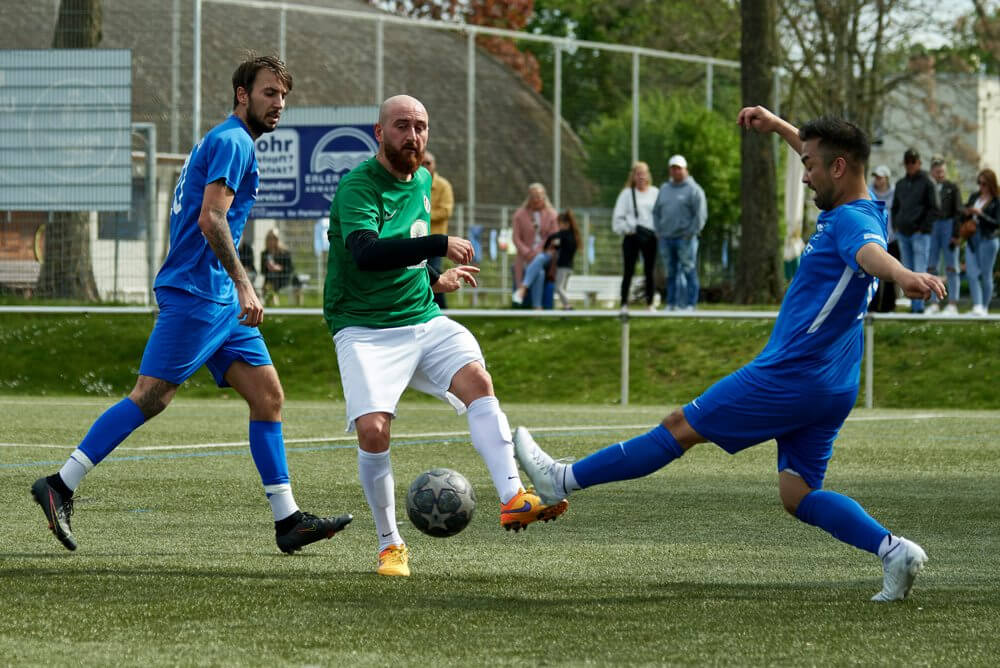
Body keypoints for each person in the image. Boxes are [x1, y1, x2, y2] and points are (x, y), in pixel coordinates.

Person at [514, 106, 946, 602]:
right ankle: (893, 551)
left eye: (810, 166)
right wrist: (780, 127)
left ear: (839, 168)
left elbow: (872, 254)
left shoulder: (851, 222)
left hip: (791, 376)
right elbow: (843, 194)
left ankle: (561, 480)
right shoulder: (865, 205)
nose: (804, 176)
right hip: (835, 382)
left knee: (679, 427)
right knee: (798, 495)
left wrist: (904, 276)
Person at [30, 55, 351, 554]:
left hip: (217, 299)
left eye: (284, 96)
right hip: (199, 293)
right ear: (242, 94)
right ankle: (59, 484)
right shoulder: (232, 141)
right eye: (270, 93)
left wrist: (234, 289)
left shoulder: (227, 140)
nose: (279, 104)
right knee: (150, 396)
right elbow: (211, 220)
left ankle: (288, 520)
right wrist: (245, 283)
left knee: (268, 397)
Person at [325, 94, 568, 577]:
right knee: (374, 430)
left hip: (422, 315)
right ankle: (390, 545)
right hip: (365, 328)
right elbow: (368, 254)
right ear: (379, 133)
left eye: (420, 127)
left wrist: (435, 278)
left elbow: (407, 250)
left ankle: (513, 497)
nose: (412, 135)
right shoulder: (357, 186)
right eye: (401, 126)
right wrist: (439, 245)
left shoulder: (424, 180)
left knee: (478, 380)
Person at [653, 154, 707, 311]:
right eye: (673, 168)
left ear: (685, 169)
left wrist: (690, 233)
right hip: (666, 237)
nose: (676, 171)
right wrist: (659, 231)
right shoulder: (664, 189)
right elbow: (656, 212)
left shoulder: (694, 189)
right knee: (671, 272)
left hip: (686, 239)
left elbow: (700, 215)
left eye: (678, 168)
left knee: (688, 270)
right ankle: (672, 303)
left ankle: (690, 304)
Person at [891, 149, 936, 313]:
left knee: (919, 269)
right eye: (908, 161)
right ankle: (913, 305)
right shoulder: (900, 184)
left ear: (919, 163)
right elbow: (895, 207)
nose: (910, 165)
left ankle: (919, 307)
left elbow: (933, 208)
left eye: (913, 161)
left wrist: (922, 228)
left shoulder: (927, 182)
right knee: (907, 270)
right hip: (903, 233)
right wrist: (896, 224)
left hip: (919, 234)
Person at [612, 162, 659, 311]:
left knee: (649, 271)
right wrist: (627, 229)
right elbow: (618, 218)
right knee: (628, 270)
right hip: (632, 236)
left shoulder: (655, 193)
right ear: (633, 176)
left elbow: (659, 215)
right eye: (638, 173)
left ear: (648, 175)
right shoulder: (626, 194)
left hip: (650, 236)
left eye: (643, 173)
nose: (641, 176)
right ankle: (624, 303)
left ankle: (650, 303)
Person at [924, 158, 963, 315]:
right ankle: (934, 303)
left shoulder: (952, 187)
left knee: (951, 266)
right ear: (932, 171)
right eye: (936, 171)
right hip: (933, 226)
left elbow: (959, 211)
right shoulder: (928, 188)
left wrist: (956, 233)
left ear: (945, 171)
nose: (939, 174)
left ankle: (953, 302)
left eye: (941, 171)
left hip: (948, 225)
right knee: (931, 266)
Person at [512, 183, 559, 303]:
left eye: (539, 196)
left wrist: (538, 250)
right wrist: (527, 252)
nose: (536, 199)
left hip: (546, 253)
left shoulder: (552, 214)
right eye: (533, 196)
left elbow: (553, 237)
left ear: (544, 197)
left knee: (539, 258)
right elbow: (516, 238)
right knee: (539, 272)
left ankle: (522, 289)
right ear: (529, 197)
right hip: (525, 255)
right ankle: (537, 307)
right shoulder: (519, 215)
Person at [962, 168, 1000, 316]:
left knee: (986, 274)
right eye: (979, 183)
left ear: (991, 183)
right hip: (972, 238)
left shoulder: (996, 201)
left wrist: (981, 214)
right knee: (971, 272)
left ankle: (984, 307)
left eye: (984, 183)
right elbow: (964, 213)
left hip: (988, 239)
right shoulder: (974, 197)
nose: (981, 186)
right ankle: (977, 305)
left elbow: (996, 223)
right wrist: (967, 213)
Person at [423, 150, 454, 308]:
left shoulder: (443, 186)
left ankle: (442, 309)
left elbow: (446, 211)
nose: (425, 165)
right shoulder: (413, 182)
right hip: (417, 240)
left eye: (428, 163)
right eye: (423, 162)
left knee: (434, 272)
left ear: (434, 165)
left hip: (436, 240)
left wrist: (422, 215)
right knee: (418, 273)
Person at [869, 165, 898, 312]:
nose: (877, 180)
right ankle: (872, 306)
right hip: (874, 240)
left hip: (892, 239)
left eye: (880, 177)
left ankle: (888, 307)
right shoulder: (868, 193)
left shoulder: (895, 193)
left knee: (891, 274)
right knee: (873, 274)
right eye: (876, 177)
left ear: (886, 179)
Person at [260, 227, 301, 306]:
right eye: (269, 238)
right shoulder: (264, 254)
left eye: (274, 238)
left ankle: (298, 306)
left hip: (284, 278)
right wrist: (268, 267)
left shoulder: (285, 252)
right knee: (269, 283)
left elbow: (290, 268)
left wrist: (278, 268)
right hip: (271, 279)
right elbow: (262, 271)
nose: (272, 240)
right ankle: (274, 306)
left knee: (296, 280)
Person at [552, 210, 580, 310]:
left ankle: (568, 305)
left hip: (563, 266)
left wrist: (555, 245)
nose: (559, 227)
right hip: (570, 266)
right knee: (563, 289)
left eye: (560, 224)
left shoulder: (563, 235)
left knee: (558, 288)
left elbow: (556, 246)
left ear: (566, 224)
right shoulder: (574, 236)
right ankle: (566, 308)